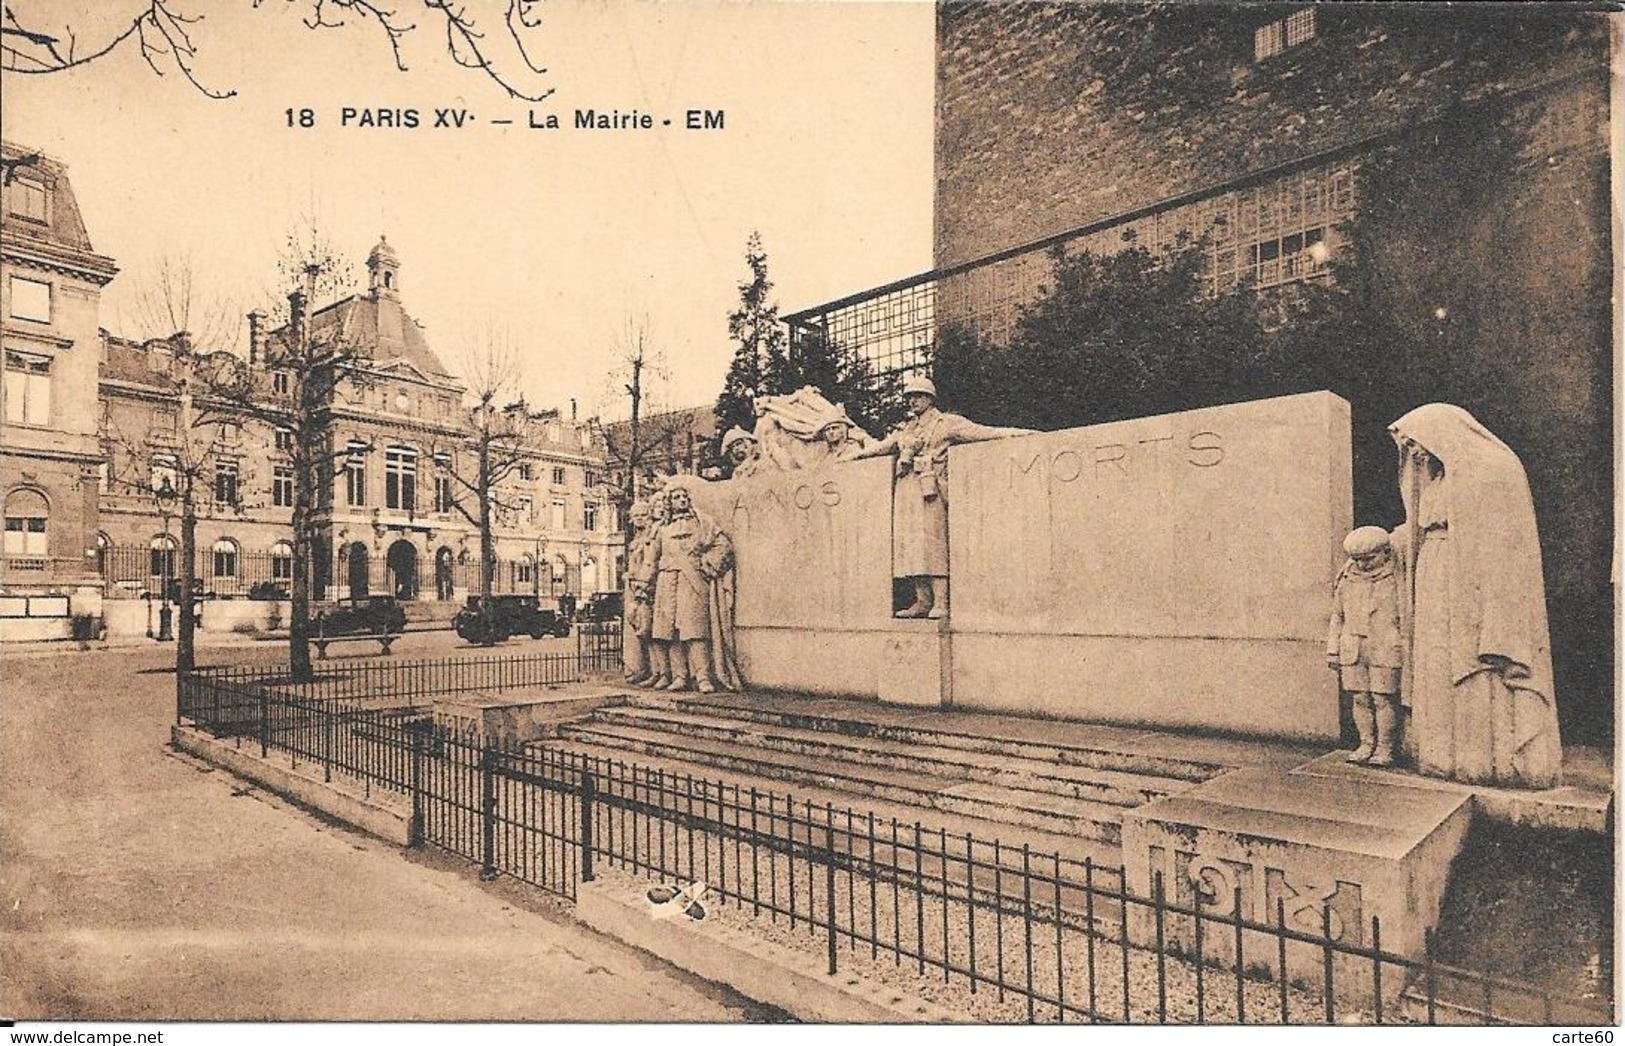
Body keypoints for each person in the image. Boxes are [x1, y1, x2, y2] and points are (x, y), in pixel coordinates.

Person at [1389, 404, 1562, 789]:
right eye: (1409, 446)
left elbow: (1502, 541)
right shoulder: (1435, 479)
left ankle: (1487, 759)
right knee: (1437, 659)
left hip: (1474, 577)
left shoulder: (1493, 469)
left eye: (1416, 441)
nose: (1414, 453)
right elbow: (1422, 525)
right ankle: (1441, 755)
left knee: (1474, 661)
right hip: (1435, 572)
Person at [850, 376, 1034, 618]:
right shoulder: (907, 429)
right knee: (912, 545)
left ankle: (941, 602)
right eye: (909, 397)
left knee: (933, 543)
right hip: (907, 489)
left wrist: (1016, 434)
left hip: (931, 489)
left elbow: (981, 432)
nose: (912, 401)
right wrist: (855, 456)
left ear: (929, 398)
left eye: (917, 396)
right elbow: (882, 447)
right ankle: (922, 600)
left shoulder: (946, 423)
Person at [648, 482, 741, 692]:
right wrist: (644, 585)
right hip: (666, 582)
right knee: (669, 632)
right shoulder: (662, 529)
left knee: (694, 630)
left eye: (684, 497)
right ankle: (679, 676)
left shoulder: (702, 523)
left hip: (693, 581)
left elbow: (723, 546)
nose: (681, 500)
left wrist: (708, 563)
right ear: (669, 503)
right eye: (676, 497)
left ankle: (703, 677)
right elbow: (651, 559)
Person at [1327, 526, 1404, 766]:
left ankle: (1385, 748)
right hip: (1353, 645)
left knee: (1383, 699)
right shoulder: (1347, 579)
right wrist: (1333, 648)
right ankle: (1366, 743)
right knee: (1359, 698)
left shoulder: (1397, 578)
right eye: (1357, 560)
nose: (1363, 565)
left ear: (1385, 554)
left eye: (1369, 559)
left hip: (1385, 645)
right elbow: (1337, 616)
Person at [623, 498, 657, 685]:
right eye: (636, 516)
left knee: (647, 630)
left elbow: (650, 564)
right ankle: (638, 668)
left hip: (645, 588)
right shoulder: (636, 538)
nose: (639, 519)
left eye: (643, 515)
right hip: (632, 587)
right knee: (636, 629)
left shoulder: (651, 538)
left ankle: (649, 670)